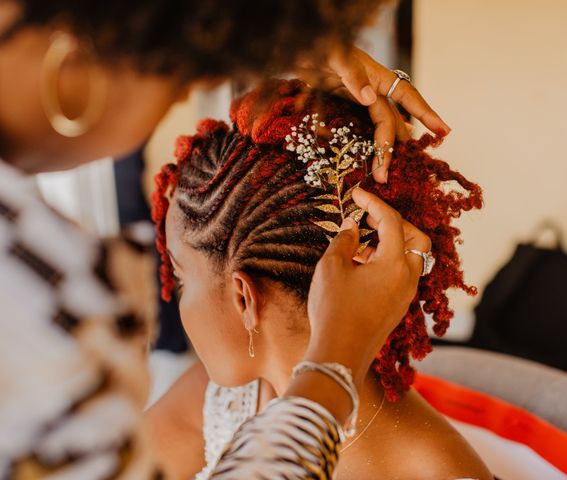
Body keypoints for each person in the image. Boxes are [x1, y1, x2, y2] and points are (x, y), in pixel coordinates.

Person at [0, 1, 452, 478]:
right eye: (181, 81)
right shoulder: (42, 301)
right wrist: (333, 363)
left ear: (244, 295)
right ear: (73, 56)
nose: (178, 101)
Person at [147, 79, 491, 480]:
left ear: (244, 298)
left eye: (182, 278)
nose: (176, 297)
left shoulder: (441, 472)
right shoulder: (220, 398)